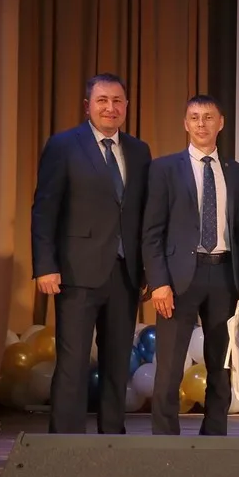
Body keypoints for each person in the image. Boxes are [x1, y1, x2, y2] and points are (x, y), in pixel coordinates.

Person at [31, 72, 152, 434]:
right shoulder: (63, 145)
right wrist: (45, 265)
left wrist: (148, 270)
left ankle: (112, 439)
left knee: (117, 364)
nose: (110, 108)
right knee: (73, 364)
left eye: (117, 101)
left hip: (125, 274)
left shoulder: (139, 150)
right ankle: (65, 444)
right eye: (102, 100)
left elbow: (143, 214)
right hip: (76, 272)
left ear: (126, 106)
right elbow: (44, 209)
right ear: (87, 106)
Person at [142, 95, 239, 436]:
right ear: (185, 123)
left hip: (224, 276)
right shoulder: (164, 168)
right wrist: (158, 282)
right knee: (170, 366)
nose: (201, 123)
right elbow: (152, 231)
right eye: (194, 117)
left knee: (221, 364)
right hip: (177, 279)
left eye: (208, 117)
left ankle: (214, 435)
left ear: (221, 123)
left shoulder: (235, 171)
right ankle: (165, 441)